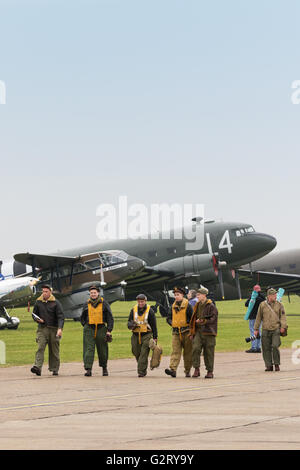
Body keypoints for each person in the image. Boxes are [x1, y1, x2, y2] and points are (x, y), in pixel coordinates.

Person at [31, 284, 64, 376]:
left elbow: (61, 317)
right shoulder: (38, 302)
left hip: (54, 329)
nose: (44, 293)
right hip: (42, 329)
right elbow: (34, 314)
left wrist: (60, 329)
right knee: (40, 347)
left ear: (50, 292)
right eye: (43, 291)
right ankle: (37, 367)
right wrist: (37, 319)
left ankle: (54, 368)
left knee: (54, 350)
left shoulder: (56, 303)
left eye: (46, 291)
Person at [80, 285, 114, 376]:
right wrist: (85, 326)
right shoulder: (86, 303)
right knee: (88, 349)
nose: (93, 294)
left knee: (103, 349)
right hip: (89, 329)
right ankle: (88, 369)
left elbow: (110, 317)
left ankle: (104, 368)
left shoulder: (104, 303)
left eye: (95, 293)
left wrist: (109, 330)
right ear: (89, 294)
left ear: (98, 293)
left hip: (101, 328)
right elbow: (82, 317)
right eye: (91, 293)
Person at [254, 288, 288, 371]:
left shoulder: (279, 305)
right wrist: (256, 329)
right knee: (266, 348)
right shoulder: (262, 305)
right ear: (269, 296)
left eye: (276, 295)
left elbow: (283, 316)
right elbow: (258, 317)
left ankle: (276, 364)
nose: (276, 296)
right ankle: (268, 365)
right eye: (274, 295)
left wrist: (283, 326)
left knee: (275, 346)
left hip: (276, 329)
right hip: (265, 329)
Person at [189, 287, 218, 378]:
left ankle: (210, 371)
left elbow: (213, 319)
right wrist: (192, 331)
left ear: (204, 295)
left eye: (199, 295)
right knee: (195, 349)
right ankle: (196, 369)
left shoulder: (211, 306)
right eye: (197, 295)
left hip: (209, 332)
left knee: (208, 352)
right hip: (198, 331)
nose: (197, 296)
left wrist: (203, 321)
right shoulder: (197, 305)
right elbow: (193, 318)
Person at [165, 287, 193, 378]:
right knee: (175, 351)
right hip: (176, 332)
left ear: (182, 295)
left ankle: (187, 370)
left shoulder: (188, 306)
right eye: (175, 295)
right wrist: (172, 323)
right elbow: (168, 318)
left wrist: (192, 331)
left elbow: (192, 318)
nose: (176, 297)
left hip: (186, 332)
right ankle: (173, 370)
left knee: (188, 352)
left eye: (178, 295)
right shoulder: (172, 306)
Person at [127, 294, 158, 377]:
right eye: (139, 301)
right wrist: (131, 325)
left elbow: (154, 325)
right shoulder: (133, 310)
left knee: (144, 353)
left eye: (142, 301)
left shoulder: (150, 311)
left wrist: (155, 337)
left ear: (145, 301)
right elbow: (129, 322)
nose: (140, 303)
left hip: (147, 335)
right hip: (135, 334)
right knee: (135, 352)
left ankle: (141, 371)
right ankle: (142, 364)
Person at [244, 285, 265, 353]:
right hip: (260, 317)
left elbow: (246, 304)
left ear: (254, 290)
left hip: (253, 316)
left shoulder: (253, 297)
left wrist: (251, 298)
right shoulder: (262, 298)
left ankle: (253, 347)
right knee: (258, 331)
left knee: (253, 331)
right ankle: (258, 347)